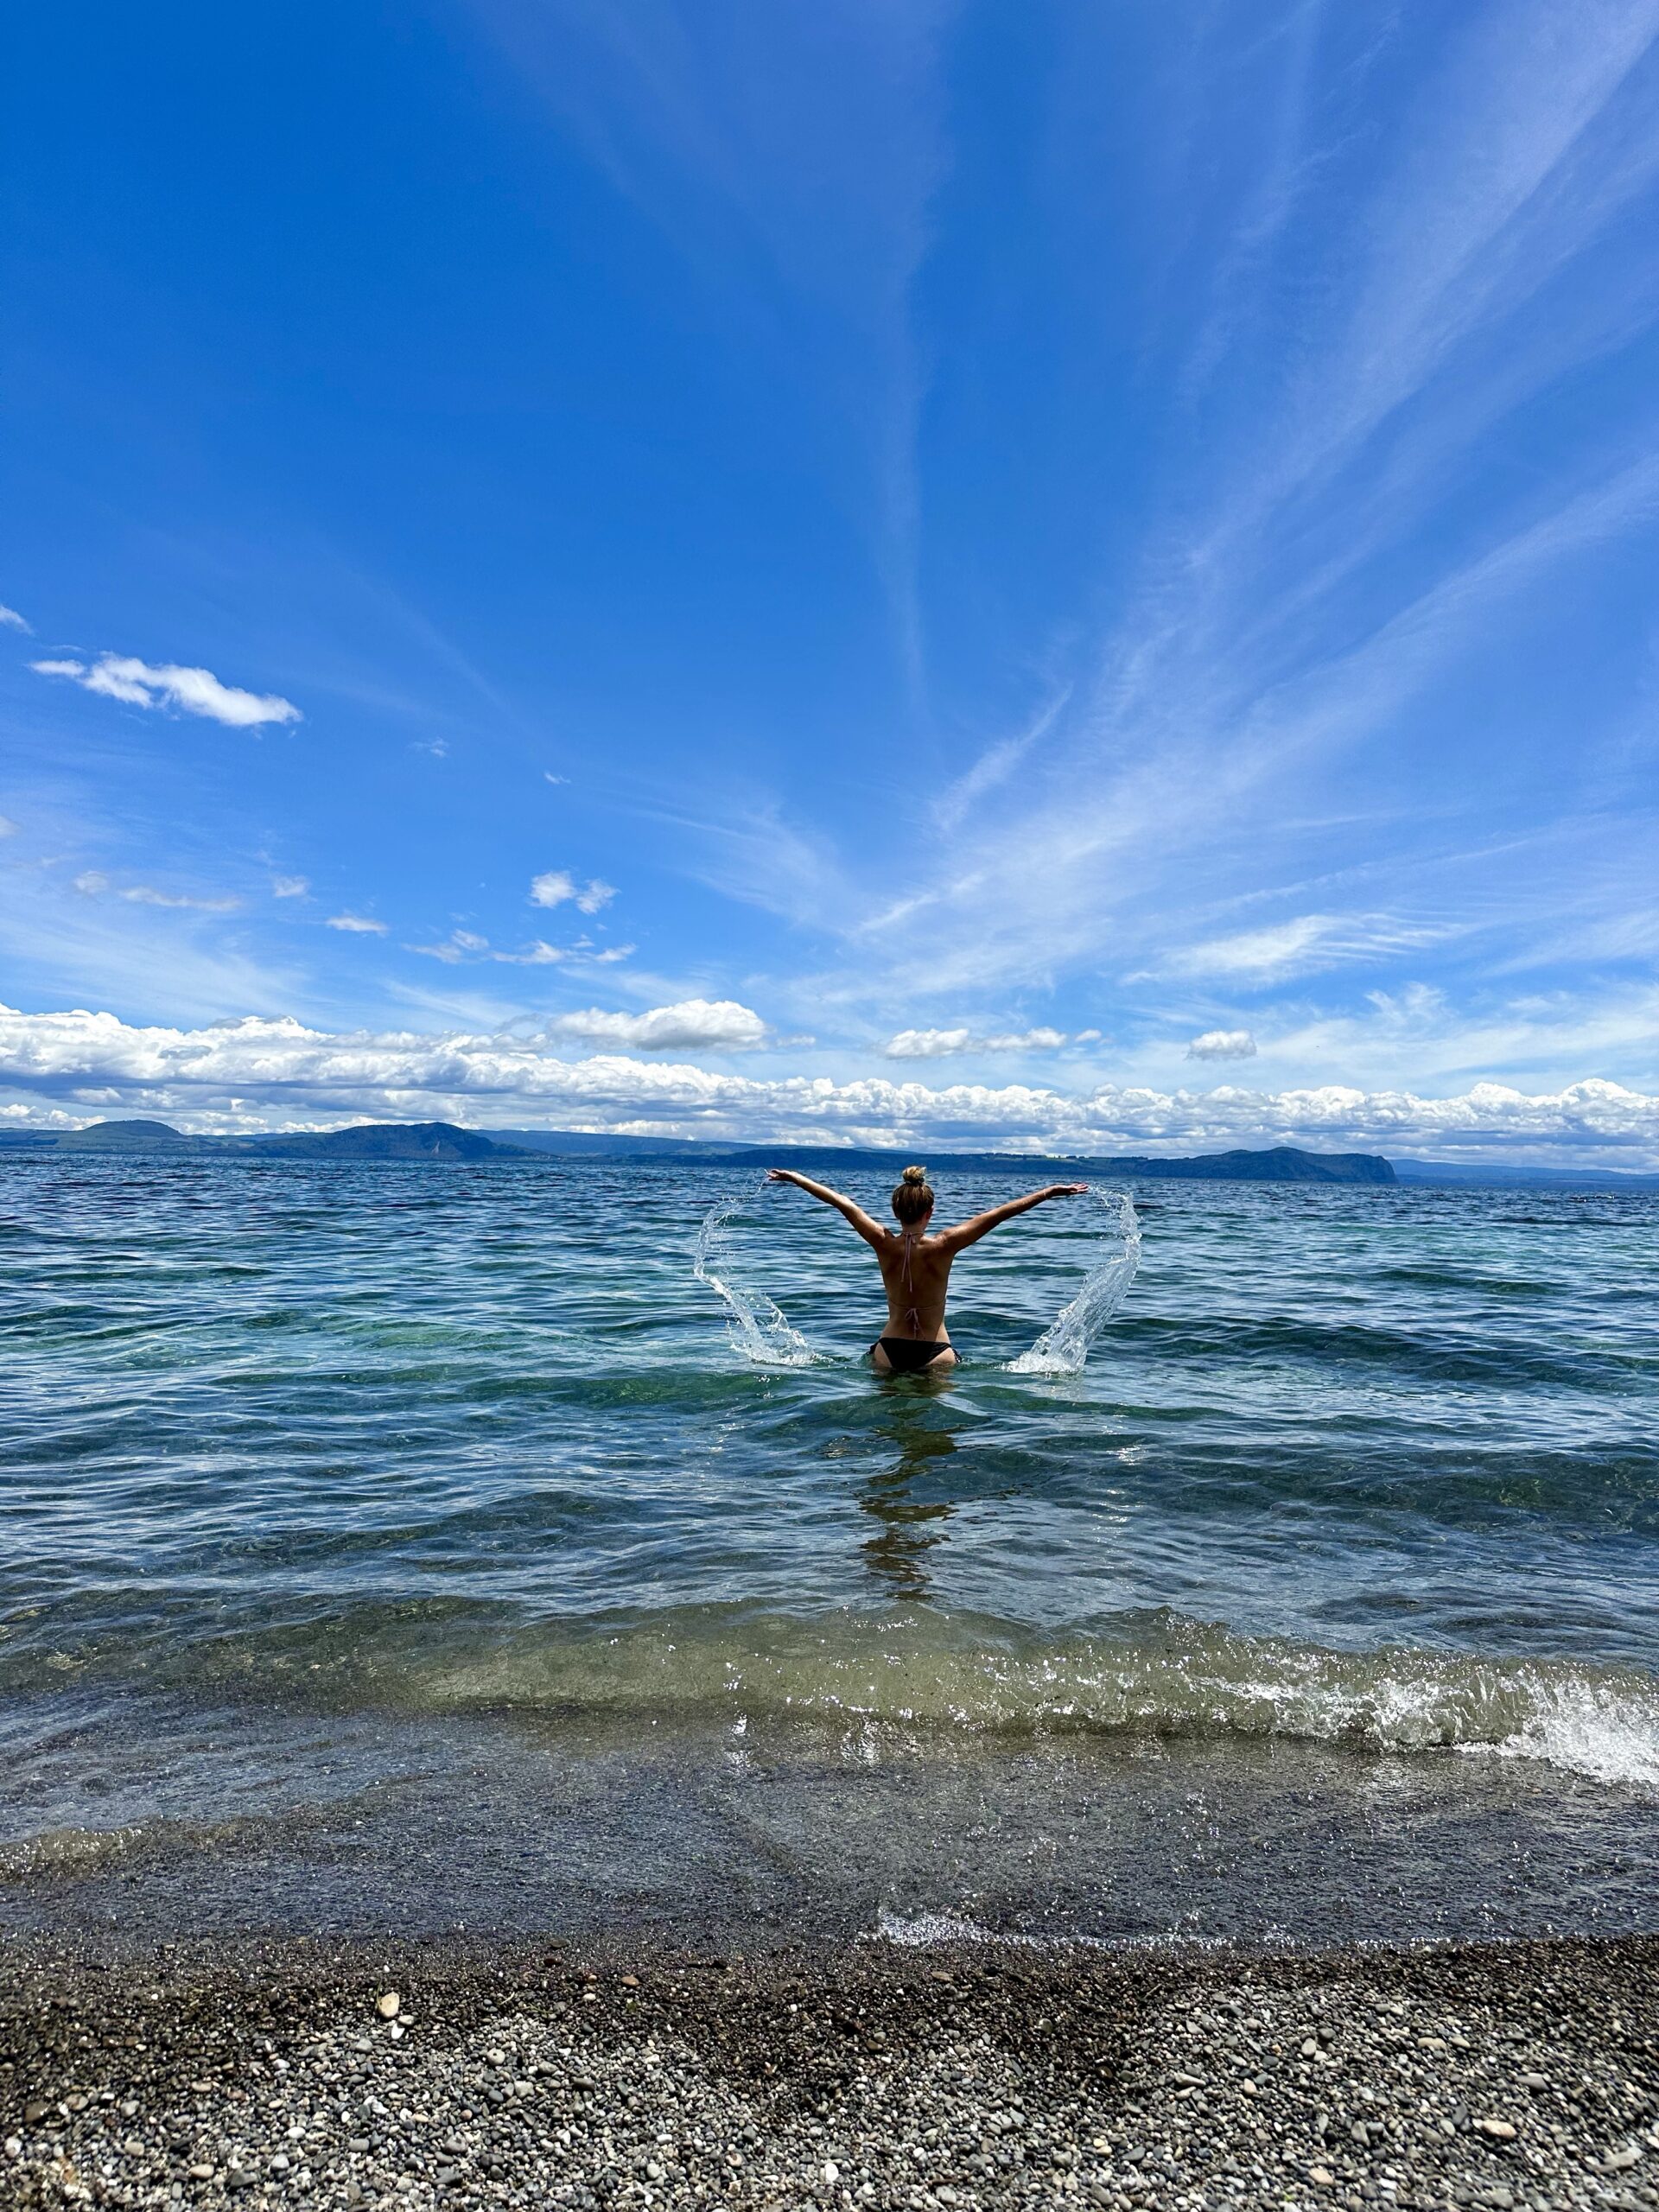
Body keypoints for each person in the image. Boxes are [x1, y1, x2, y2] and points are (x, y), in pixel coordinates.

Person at [765, 1163, 1089, 1373]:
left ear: (895, 1211)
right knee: (933, 1436)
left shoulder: (882, 1242)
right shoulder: (945, 1244)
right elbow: (1000, 1213)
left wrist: (795, 1178)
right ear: (930, 1212)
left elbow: (842, 1203)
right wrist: (1048, 1192)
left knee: (890, 1427)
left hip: (889, 1349)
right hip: (937, 1351)